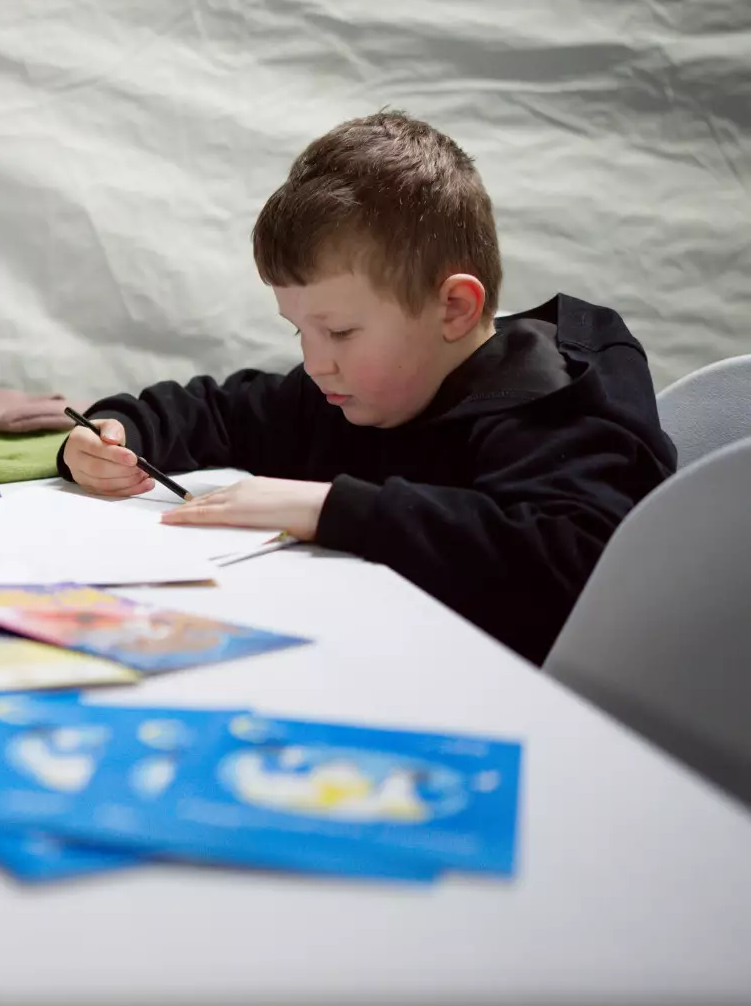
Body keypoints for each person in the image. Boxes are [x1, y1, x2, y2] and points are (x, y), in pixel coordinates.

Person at [61, 111, 674, 664]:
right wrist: (114, 432)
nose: (315, 362)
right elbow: (220, 411)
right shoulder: (351, 389)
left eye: (341, 331)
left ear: (455, 308)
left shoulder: (555, 402)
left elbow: (572, 564)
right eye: (300, 330)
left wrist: (326, 508)